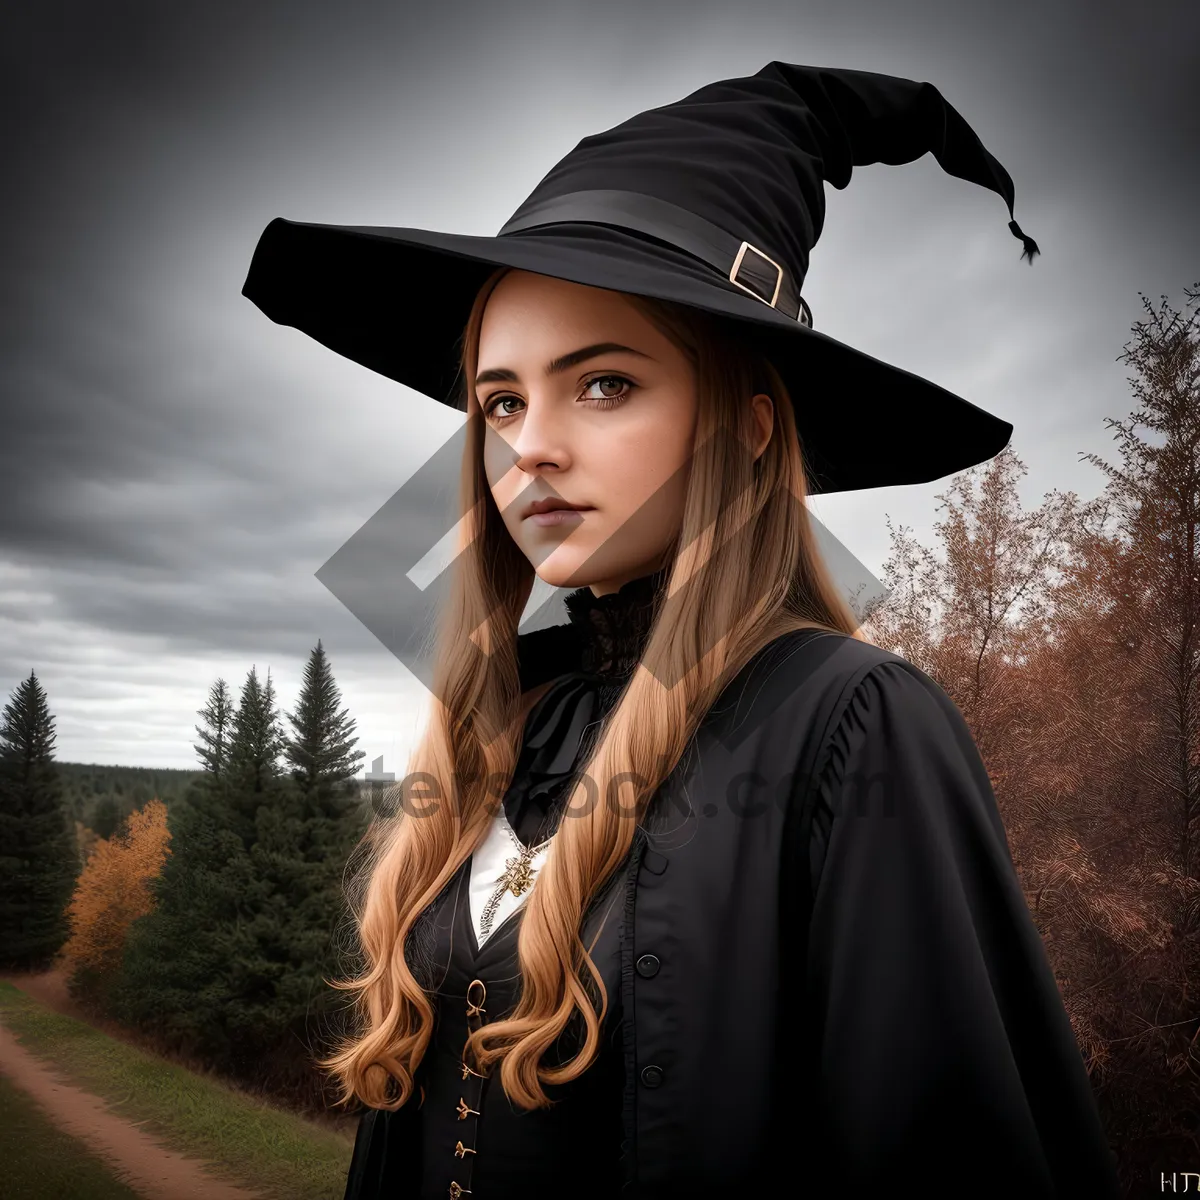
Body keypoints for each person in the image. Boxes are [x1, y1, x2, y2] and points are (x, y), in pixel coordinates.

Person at [243, 61, 1122, 1199]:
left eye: (602, 384)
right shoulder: (524, 714)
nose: (531, 447)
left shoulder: (851, 724)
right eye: (502, 400)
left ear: (749, 427)